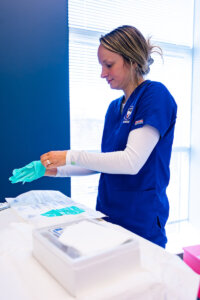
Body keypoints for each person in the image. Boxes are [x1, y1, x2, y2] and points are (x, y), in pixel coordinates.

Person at [10, 26, 177, 248]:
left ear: (132, 60)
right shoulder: (114, 108)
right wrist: (54, 169)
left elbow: (131, 162)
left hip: (141, 218)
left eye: (109, 65)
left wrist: (69, 156)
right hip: (109, 213)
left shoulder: (154, 95)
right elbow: (105, 162)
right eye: (101, 66)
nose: (102, 73)